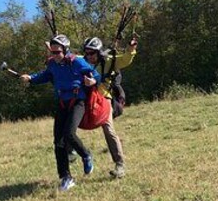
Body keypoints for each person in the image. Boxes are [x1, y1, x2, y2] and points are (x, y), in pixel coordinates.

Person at [20, 34, 99, 191]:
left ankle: (86, 155)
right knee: (58, 142)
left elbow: (94, 74)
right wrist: (30, 78)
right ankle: (66, 178)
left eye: (57, 52)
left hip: (78, 102)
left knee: (69, 133)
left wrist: (93, 80)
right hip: (62, 103)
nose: (54, 55)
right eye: (53, 52)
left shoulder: (76, 62)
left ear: (65, 50)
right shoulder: (53, 65)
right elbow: (44, 76)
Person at [80, 36, 137, 178]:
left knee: (108, 129)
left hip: (104, 98)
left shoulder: (109, 60)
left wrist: (131, 48)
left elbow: (125, 59)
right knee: (68, 123)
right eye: (86, 53)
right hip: (87, 99)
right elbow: (67, 58)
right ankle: (72, 152)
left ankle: (120, 165)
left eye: (92, 53)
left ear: (98, 52)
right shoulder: (82, 61)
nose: (89, 56)